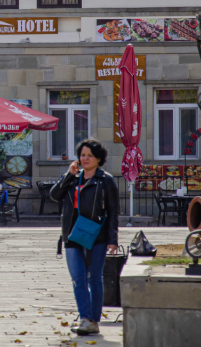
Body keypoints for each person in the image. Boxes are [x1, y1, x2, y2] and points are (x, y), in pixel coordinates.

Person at [50, 138, 119, 336]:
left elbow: (114, 211)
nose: (85, 158)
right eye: (82, 155)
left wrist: (113, 239)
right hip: (72, 234)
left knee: (95, 279)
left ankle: (93, 320)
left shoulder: (105, 180)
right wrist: (67, 176)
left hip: (96, 235)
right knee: (78, 279)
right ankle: (85, 318)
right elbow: (55, 195)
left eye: (90, 155)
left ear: (99, 158)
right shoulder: (73, 177)